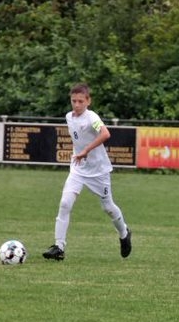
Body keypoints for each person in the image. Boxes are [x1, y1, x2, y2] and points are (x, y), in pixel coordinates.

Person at [42, 83, 131, 261]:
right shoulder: (69, 117)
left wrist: (86, 150)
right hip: (78, 168)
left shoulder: (92, 117)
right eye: (73, 101)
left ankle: (124, 233)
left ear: (88, 101)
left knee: (108, 208)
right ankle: (59, 247)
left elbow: (105, 134)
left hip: (98, 171)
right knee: (65, 203)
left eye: (80, 101)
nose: (76, 104)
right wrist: (80, 154)